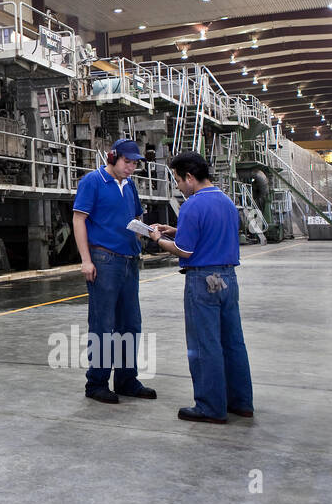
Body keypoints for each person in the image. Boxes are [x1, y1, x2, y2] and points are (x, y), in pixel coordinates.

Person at [149, 151, 254, 424]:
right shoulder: (227, 202)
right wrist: (175, 229)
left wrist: (159, 239)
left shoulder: (192, 206)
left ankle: (210, 406)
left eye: (178, 181)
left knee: (204, 345)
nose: (179, 187)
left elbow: (184, 250)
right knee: (232, 342)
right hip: (228, 279)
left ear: (190, 177)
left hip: (203, 280)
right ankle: (241, 402)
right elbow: (209, 233)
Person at [71, 138, 156, 404]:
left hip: (129, 260)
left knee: (130, 323)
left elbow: (135, 218)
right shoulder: (92, 182)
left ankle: (126, 380)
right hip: (104, 259)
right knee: (103, 323)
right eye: (127, 162)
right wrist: (86, 260)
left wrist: (147, 231)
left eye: (134, 163)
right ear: (112, 157)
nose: (131, 168)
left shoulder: (129, 185)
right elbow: (79, 219)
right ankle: (96, 383)